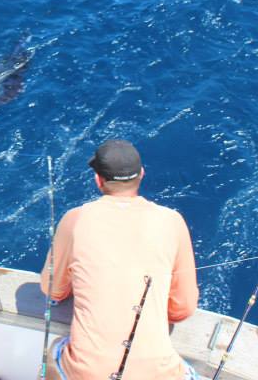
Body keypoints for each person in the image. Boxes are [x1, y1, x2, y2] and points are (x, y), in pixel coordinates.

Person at [40, 139, 200, 380]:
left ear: (98, 180)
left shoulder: (74, 219)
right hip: (158, 373)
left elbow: (53, 290)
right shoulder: (172, 221)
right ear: (142, 174)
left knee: (55, 350)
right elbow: (183, 309)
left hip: (85, 372)